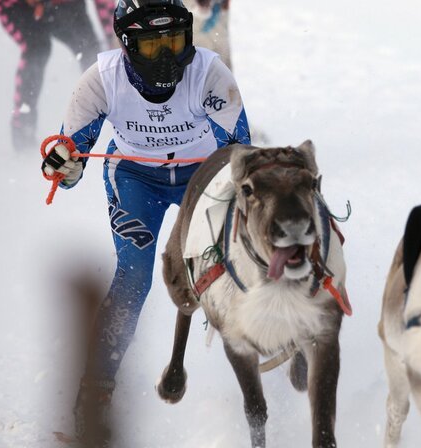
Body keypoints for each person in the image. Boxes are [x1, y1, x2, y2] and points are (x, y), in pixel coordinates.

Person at [40, 0, 250, 444]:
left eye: (174, 41)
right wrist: (63, 167)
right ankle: (95, 391)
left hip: (202, 174)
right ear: (125, 43)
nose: (166, 58)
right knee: (134, 277)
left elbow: (240, 159)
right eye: (151, 46)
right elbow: (66, 158)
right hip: (136, 176)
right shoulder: (100, 80)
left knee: (233, 260)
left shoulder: (211, 72)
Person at [0, 0, 103, 151]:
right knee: (38, 49)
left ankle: (110, 122)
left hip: (65, 5)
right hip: (18, 6)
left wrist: (112, 35)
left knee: (91, 51)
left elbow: (105, 5)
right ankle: (23, 132)